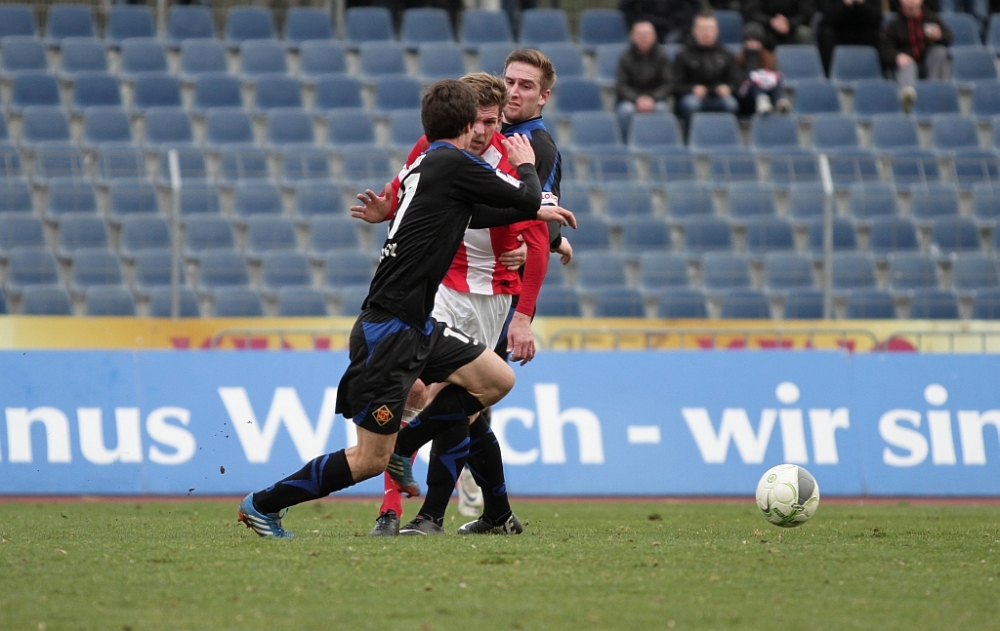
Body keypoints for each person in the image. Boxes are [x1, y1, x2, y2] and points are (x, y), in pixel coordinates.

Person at [236, 79, 575, 539]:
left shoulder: (427, 165)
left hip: (417, 326)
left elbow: (473, 215)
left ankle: (409, 447)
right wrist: (527, 167)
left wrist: (533, 215)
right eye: (477, 122)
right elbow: (526, 194)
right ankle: (263, 504)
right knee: (367, 460)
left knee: (496, 379)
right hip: (389, 332)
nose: (483, 131)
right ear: (465, 124)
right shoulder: (453, 163)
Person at [383, 48, 572, 537]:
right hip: (442, 285)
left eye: (525, 85)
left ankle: (435, 509)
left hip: (492, 294)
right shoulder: (449, 140)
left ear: (543, 96)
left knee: (461, 404)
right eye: (510, 81)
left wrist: (526, 310)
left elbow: (537, 223)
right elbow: (411, 188)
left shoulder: (531, 149)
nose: (514, 92)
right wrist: (386, 207)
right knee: (437, 396)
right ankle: (479, 513)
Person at [880, 0, 952, 112]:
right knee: (908, 64)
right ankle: (907, 97)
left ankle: (933, 90)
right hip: (906, 67)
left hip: (928, 63)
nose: (911, 1)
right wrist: (897, 57)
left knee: (939, 51)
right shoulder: (894, 24)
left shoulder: (932, 18)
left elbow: (949, 37)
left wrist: (940, 36)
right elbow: (885, 49)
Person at [673, 11, 740, 129]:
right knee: (691, 104)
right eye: (702, 28)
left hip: (718, 98)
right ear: (694, 31)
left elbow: (736, 82)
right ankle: (692, 136)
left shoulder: (726, 54)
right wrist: (692, 89)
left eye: (710, 29)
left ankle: (725, 136)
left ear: (716, 31)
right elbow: (675, 85)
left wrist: (728, 88)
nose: (706, 32)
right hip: (693, 97)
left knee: (731, 104)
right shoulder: (683, 54)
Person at [615, 20, 672, 139]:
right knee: (625, 111)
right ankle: (625, 143)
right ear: (633, 37)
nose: (644, 38)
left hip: (655, 99)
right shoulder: (625, 57)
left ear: (654, 36)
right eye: (640, 34)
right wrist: (637, 99)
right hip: (631, 100)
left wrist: (653, 98)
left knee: (662, 110)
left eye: (647, 34)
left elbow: (667, 84)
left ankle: (660, 142)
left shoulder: (662, 57)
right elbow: (621, 85)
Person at [735, 22, 791, 116]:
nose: (753, 44)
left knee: (776, 76)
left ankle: (779, 101)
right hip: (746, 98)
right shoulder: (738, 61)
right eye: (750, 41)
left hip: (768, 94)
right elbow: (738, 83)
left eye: (756, 41)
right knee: (755, 78)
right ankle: (761, 100)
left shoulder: (769, 59)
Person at [816, 0, 883, 76]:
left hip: (863, 31)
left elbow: (877, 18)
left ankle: (876, 74)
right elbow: (827, 18)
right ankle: (828, 74)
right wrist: (845, 3)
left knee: (879, 35)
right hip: (839, 32)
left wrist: (862, 3)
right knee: (825, 34)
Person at [741, 0, 815, 50]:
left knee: (804, 32)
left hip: (792, 28)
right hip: (766, 28)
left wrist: (788, 23)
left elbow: (806, 14)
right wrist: (771, 21)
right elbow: (751, 12)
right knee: (752, 30)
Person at [619, 0, 700, 43]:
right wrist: (638, 24)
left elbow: (696, 7)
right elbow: (625, 7)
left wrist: (684, 27)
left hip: (675, 28)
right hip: (647, 27)